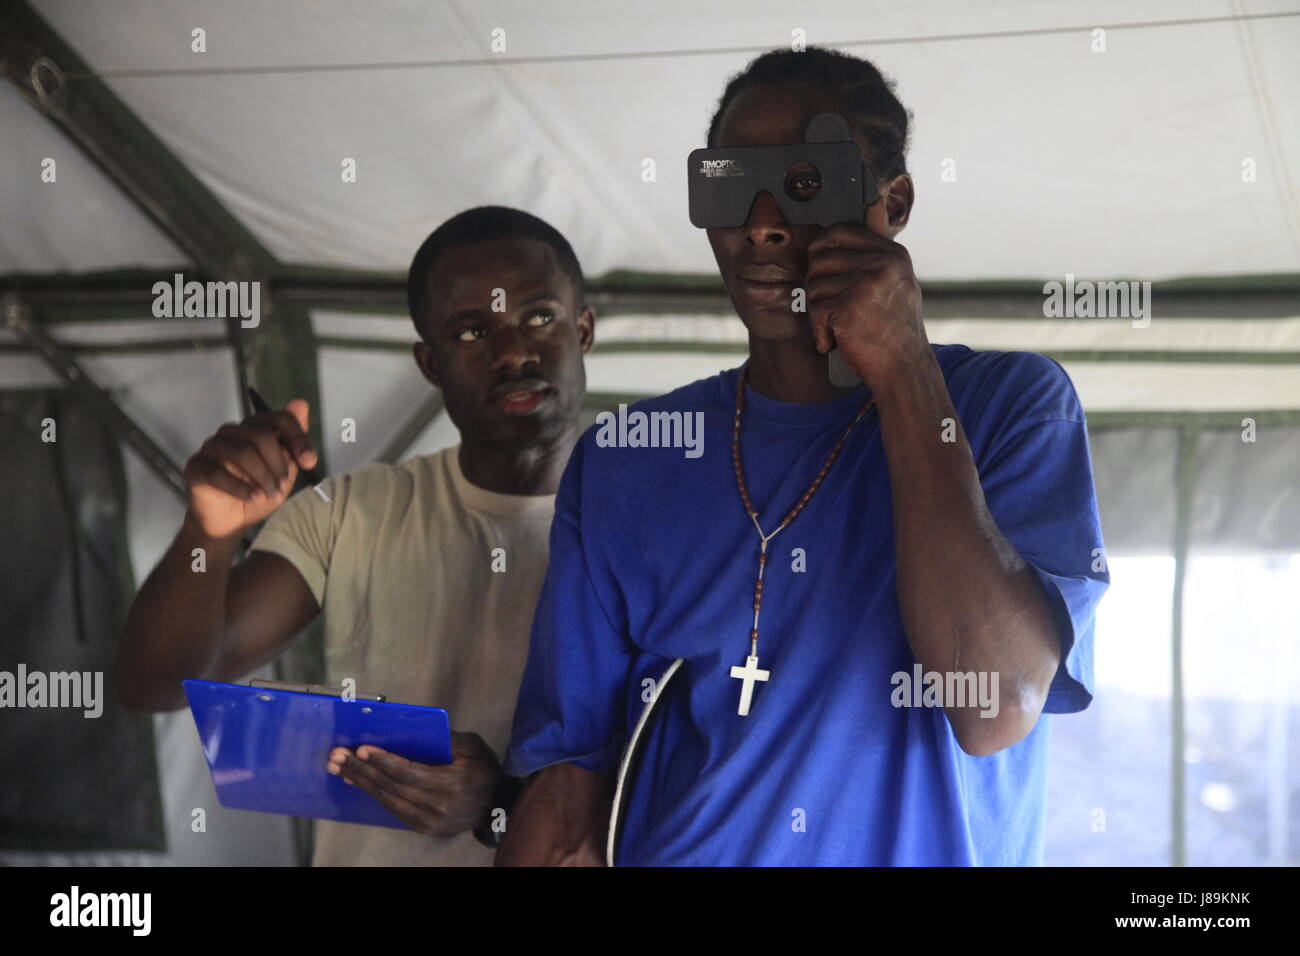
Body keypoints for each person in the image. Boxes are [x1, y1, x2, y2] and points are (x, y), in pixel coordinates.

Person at [499, 48, 1109, 866]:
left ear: (891, 204)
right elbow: (570, 777)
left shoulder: (1008, 407)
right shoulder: (625, 458)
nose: (761, 221)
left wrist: (902, 369)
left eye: (805, 183)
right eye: (727, 184)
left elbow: (995, 704)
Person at [120, 206, 595, 865]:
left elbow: (688, 763)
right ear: (429, 363)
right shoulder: (353, 512)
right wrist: (209, 531)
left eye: (539, 316)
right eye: (472, 329)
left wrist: (501, 804)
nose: (512, 351)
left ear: (584, 329)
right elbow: (156, 685)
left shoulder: (656, 524)